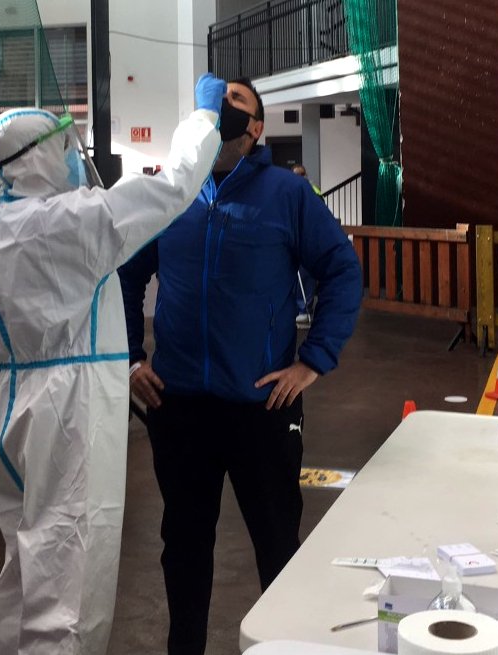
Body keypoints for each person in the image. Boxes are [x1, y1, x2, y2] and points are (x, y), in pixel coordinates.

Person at [0, 74, 227, 654]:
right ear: (40, 157)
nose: (75, 158)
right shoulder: (67, 221)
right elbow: (173, 187)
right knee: (69, 570)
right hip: (71, 410)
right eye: (65, 147)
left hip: (13, 408)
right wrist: (204, 118)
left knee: (26, 561)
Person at [118, 78, 362, 655]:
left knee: (277, 548)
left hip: (261, 409)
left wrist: (312, 362)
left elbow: (342, 270)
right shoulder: (172, 194)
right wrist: (130, 357)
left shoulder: (286, 193)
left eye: (237, 102)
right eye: (217, 98)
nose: (222, 107)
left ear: (256, 128)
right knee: (184, 550)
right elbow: (126, 274)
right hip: (179, 408)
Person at [290, 163, 322, 326]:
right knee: (296, 276)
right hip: (295, 239)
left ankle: (304, 310)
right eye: (296, 174)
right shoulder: (291, 191)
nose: (299, 177)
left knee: (305, 275)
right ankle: (297, 309)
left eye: (301, 174)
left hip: (308, 239)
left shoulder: (312, 191)